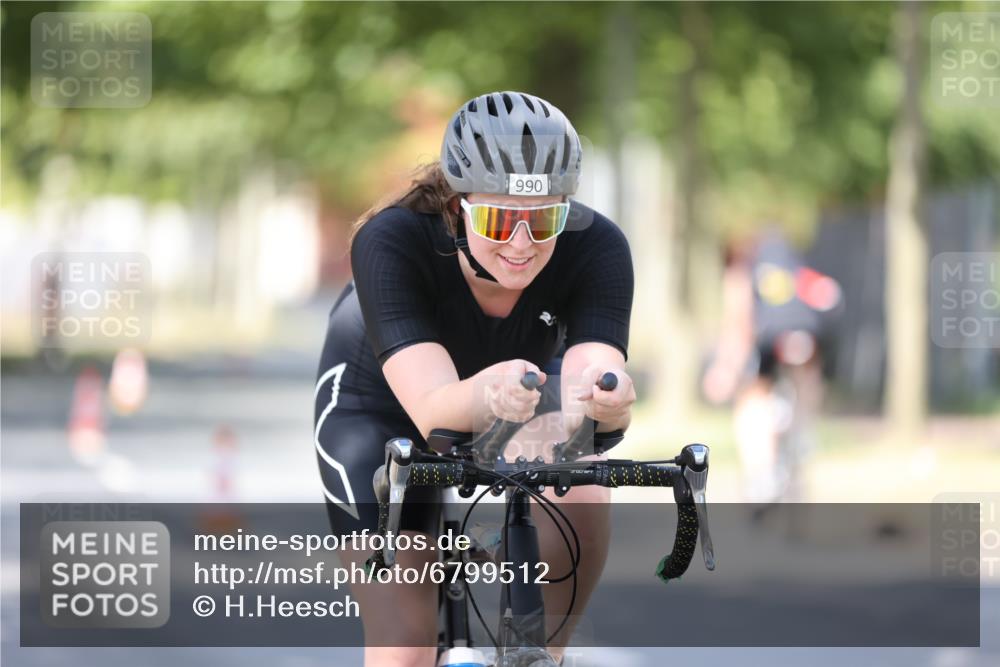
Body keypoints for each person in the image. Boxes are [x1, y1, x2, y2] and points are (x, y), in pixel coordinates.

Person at [313, 91, 636, 667]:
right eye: (498, 218)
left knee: (581, 476)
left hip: (517, 390)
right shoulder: (391, 239)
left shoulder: (598, 245)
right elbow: (435, 411)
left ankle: (542, 656)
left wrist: (606, 400)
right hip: (381, 410)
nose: (521, 243)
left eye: (544, 221)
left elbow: (594, 373)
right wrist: (495, 390)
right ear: (458, 205)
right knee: (405, 644)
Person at [703, 229, 841, 510]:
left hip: (771, 337)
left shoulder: (743, 269)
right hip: (810, 334)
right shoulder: (794, 265)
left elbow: (739, 322)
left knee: (752, 397)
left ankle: (763, 474)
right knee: (806, 383)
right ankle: (803, 434)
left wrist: (724, 369)